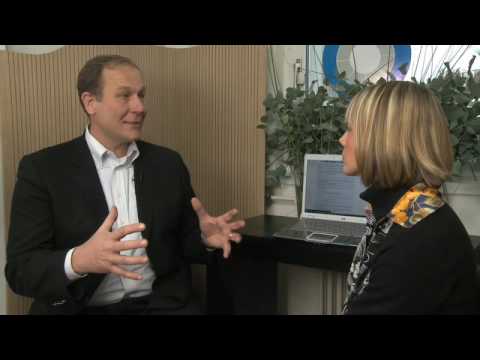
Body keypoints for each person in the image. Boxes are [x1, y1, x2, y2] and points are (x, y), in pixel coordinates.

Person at [5, 54, 245, 315]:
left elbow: (183, 244)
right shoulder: (42, 170)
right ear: (90, 103)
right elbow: (21, 271)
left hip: (162, 306)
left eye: (141, 95)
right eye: (124, 96)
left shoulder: (167, 164)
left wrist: (204, 238)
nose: (139, 107)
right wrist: (79, 260)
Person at [339, 80, 478, 314]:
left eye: (351, 130)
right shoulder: (409, 211)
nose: (342, 139)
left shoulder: (418, 239)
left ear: (384, 139)